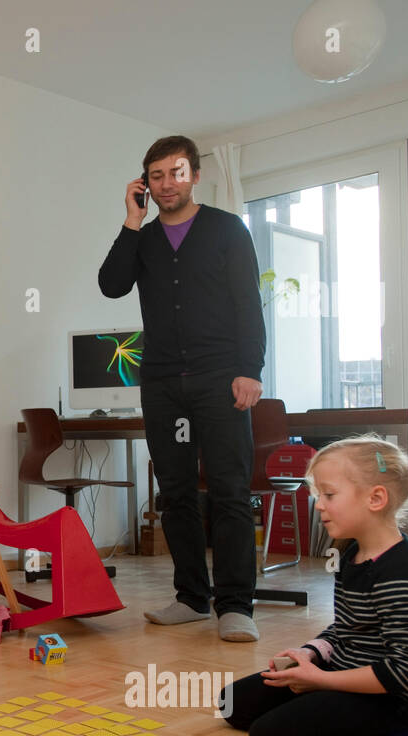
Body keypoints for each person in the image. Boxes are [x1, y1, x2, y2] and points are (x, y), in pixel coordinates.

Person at [98, 134, 266, 642]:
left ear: (194, 175)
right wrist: (132, 221)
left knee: (231, 491)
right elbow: (111, 284)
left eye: (176, 172)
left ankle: (236, 605)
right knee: (174, 494)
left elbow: (248, 303)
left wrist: (250, 369)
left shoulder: (226, 229)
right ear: (144, 184)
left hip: (221, 378)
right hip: (164, 383)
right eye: (156, 176)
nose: (167, 183)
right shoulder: (144, 239)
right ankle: (193, 597)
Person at [217, 436, 408, 736]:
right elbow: (347, 627)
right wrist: (310, 652)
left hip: (396, 700)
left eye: (328, 495)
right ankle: (325, 706)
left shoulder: (406, 574)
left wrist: (319, 680)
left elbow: (407, 674)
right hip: (348, 672)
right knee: (231, 704)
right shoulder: (351, 553)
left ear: (375, 498)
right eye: (318, 496)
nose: (319, 505)